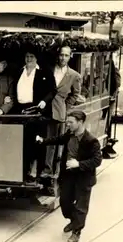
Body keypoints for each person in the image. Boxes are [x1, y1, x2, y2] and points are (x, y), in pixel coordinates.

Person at [36, 110, 102, 242]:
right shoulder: (69, 134)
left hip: (83, 177)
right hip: (68, 175)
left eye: (71, 122)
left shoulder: (91, 141)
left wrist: (79, 164)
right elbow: (58, 139)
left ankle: (76, 231)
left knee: (81, 206)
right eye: (67, 122)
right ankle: (74, 220)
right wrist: (43, 141)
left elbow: (97, 160)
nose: (68, 125)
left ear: (81, 122)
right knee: (65, 202)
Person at [13, 49, 57, 182]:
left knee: (36, 142)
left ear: (36, 58)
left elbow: (53, 90)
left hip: (37, 110)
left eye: (32, 56)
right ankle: (23, 172)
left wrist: (44, 101)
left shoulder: (44, 71)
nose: (29, 59)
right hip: (21, 111)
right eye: (27, 56)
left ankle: (36, 174)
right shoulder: (19, 71)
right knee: (23, 143)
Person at [41, 46, 82, 178]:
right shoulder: (49, 69)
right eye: (61, 55)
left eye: (66, 55)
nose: (63, 58)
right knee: (44, 140)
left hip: (59, 112)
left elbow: (75, 94)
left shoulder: (74, 75)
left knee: (55, 142)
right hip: (44, 109)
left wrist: (66, 106)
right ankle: (44, 170)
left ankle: (54, 172)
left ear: (70, 56)